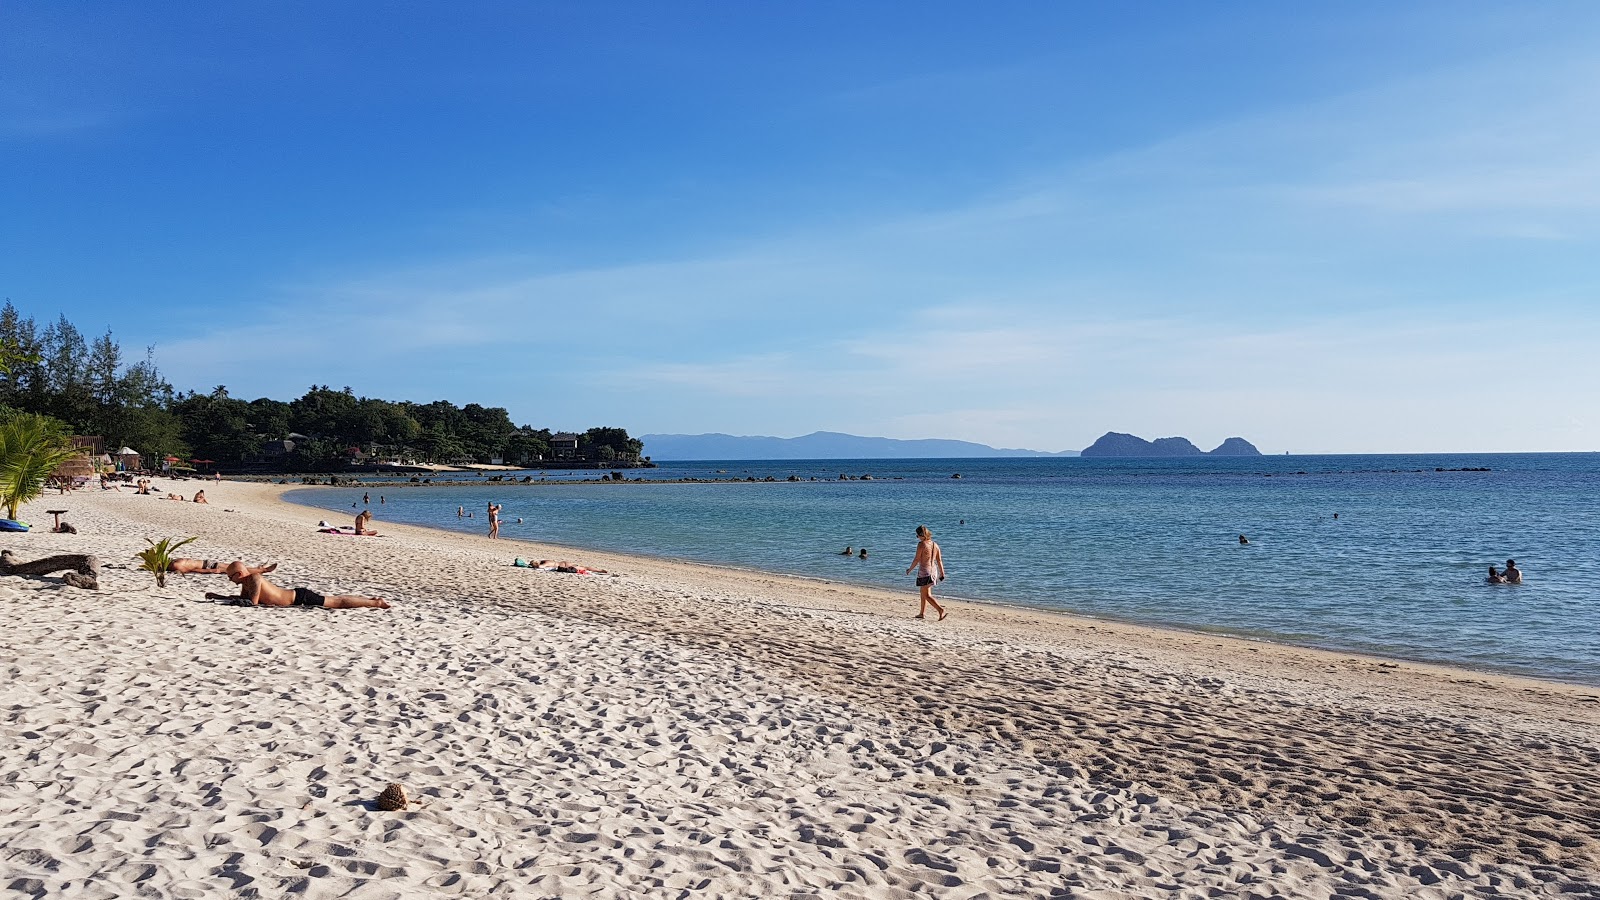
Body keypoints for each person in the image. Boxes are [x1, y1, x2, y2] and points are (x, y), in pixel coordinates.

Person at [205, 561, 390, 609]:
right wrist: (219, 597)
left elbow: (252, 603)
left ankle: (375, 602)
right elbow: (243, 599)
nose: (230, 580)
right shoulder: (247, 582)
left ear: (239, 574)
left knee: (337, 602)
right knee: (336, 601)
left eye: (230, 577)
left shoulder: (253, 579)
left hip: (299, 597)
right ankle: (372, 601)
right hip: (294, 599)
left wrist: (227, 600)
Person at [905, 524, 946, 621]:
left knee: (926, 595)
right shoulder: (935, 544)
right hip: (933, 571)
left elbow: (917, 559)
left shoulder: (922, 544)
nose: (917, 538)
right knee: (923, 592)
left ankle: (940, 610)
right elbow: (939, 560)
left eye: (917, 536)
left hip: (925, 572)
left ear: (922, 535)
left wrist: (910, 569)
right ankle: (922, 613)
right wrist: (942, 573)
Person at [172, 559, 275, 577]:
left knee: (236, 566)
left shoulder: (172, 562)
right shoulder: (176, 565)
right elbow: (192, 570)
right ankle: (263, 570)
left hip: (207, 562)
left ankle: (260, 569)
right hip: (208, 566)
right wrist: (209, 571)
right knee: (235, 568)